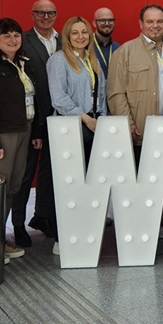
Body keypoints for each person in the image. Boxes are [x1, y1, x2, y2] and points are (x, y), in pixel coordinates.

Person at [0, 18, 44, 263]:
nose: (13, 39)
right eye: (6, 35)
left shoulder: (22, 64)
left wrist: (35, 133)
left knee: (12, 188)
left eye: (16, 35)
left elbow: (31, 100)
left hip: (22, 132)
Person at [46, 17, 107, 255]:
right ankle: (61, 238)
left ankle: (83, 233)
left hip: (93, 126)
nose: (80, 37)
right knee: (66, 185)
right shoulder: (58, 60)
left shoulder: (91, 59)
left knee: (88, 184)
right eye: (75, 33)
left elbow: (100, 94)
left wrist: (101, 118)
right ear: (67, 36)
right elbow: (58, 98)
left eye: (84, 32)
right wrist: (86, 118)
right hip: (70, 127)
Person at [13, 0, 61, 248]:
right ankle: (18, 225)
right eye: (40, 13)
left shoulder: (63, 39)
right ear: (32, 15)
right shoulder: (22, 40)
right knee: (25, 174)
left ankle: (44, 217)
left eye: (50, 13)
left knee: (51, 172)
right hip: (31, 118)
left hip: (60, 117)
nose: (45, 17)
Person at [107, 4, 163, 161]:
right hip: (139, 133)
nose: (155, 26)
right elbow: (116, 92)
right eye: (150, 21)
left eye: (159, 21)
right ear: (141, 23)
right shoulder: (125, 52)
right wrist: (127, 123)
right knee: (138, 174)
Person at [92, 7, 120, 78]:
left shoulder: (118, 48)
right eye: (102, 20)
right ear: (94, 23)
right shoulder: (86, 46)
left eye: (110, 20)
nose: (107, 24)